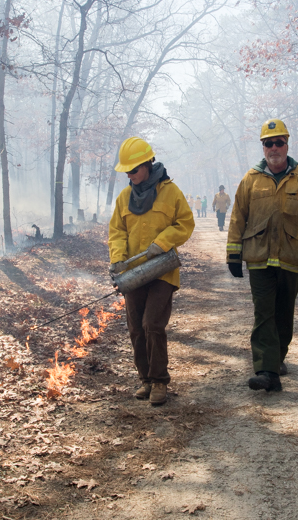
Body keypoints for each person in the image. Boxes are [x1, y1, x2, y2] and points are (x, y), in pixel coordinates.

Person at [226, 119, 298, 392]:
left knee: (284, 314)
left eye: (278, 142)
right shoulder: (250, 180)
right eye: (268, 143)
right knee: (263, 313)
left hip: (291, 258)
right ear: (263, 148)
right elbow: (238, 218)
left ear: (287, 144)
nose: (274, 147)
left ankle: (277, 356)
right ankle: (266, 370)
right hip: (259, 258)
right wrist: (233, 255)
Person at [109, 137, 195, 406]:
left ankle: (159, 381)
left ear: (147, 165)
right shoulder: (124, 197)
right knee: (136, 327)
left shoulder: (171, 192)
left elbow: (185, 223)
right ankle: (145, 379)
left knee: (152, 324)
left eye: (133, 170)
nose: (130, 175)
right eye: (127, 171)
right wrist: (118, 262)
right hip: (134, 275)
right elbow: (117, 232)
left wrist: (163, 242)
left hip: (162, 271)